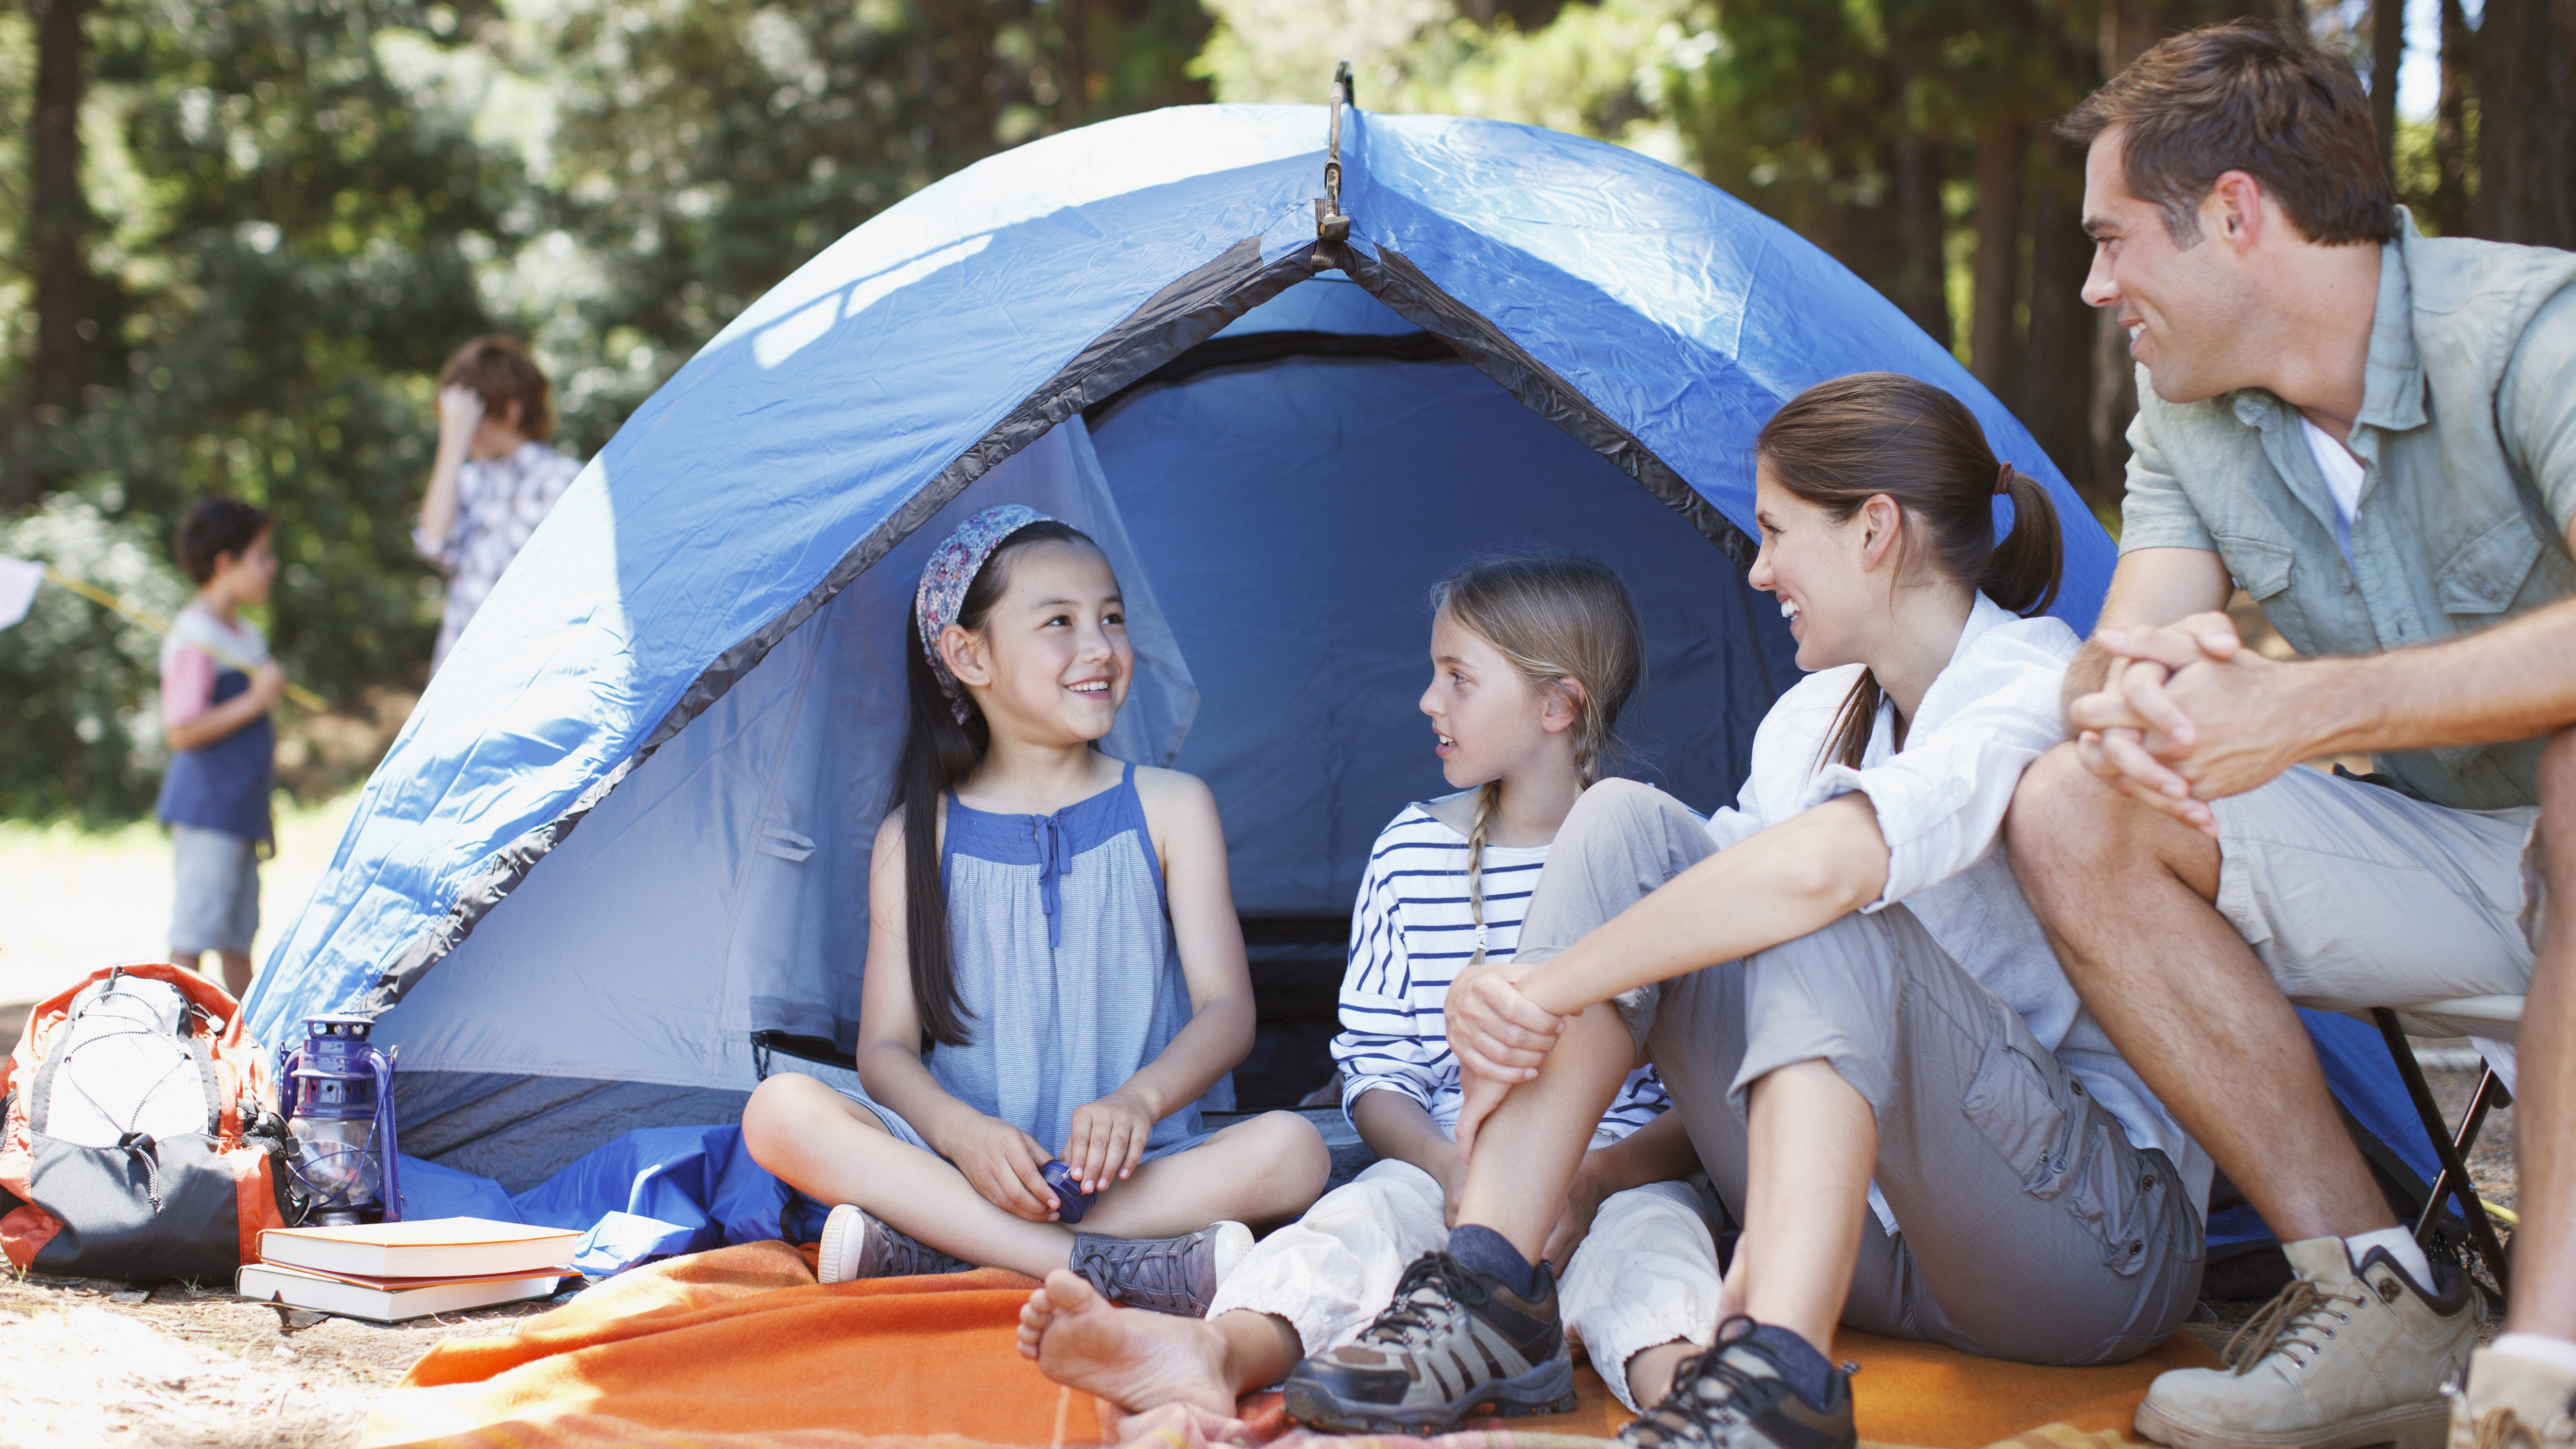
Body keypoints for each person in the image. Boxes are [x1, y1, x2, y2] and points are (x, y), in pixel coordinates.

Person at [1267, 374, 2207, 1449]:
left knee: (1820, 896)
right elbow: (1671, 892)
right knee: (1619, 819)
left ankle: (1777, 1377)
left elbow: (1811, 877)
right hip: (1864, 1240)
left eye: (1773, 533)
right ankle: (1491, 1281)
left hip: (2080, 1250)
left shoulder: (2029, 686)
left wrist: (1546, 983)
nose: (1758, 571)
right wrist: (1532, 1015)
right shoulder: (1811, 716)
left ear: (1874, 531)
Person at [2001, 22, 2576, 1449]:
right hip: (2460, 872)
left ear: (2239, 214)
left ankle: (2542, 1360)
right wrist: (2128, 704)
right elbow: (2114, 661)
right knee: (2076, 801)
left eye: (2114, 240)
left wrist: (2307, 703)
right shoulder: (2187, 415)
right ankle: (2379, 1294)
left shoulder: (2532, 333)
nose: (2094, 285)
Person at [1015, 553, 1726, 1422]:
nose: (1429, 700)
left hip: (1618, 1179)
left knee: (1656, 1246)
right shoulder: (1410, 853)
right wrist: (1445, 1163)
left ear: (1557, 704)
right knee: (1359, 1221)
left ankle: (1694, 1403)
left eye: (1458, 678)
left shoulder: (1656, 853)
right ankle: (1213, 1351)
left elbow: (1713, 1099)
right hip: (1445, 1174)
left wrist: (1596, 1175)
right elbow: (1376, 1072)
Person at [738, 505, 1329, 1317]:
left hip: (1136, 1169)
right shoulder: (916, 836)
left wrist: (1139, 1101)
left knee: (1294, 1150)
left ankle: (942, 1246)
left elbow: (1227, 1013)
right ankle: (1106, 1266)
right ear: (968, 654)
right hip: (966, 1166)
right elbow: (884, 1049)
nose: (1102, 648)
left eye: (1112, 618)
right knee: (778, 1111)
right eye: (1060, 622)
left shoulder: (1170, 807)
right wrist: (962, 1136)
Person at [156, 498, 289, 998]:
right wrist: (256, 700)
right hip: (208, 809)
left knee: (238, 938)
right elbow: (181, 730)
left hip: (240, 813)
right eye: (261, 555)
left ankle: (245, 1044)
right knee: (193, 932)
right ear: (224, 563)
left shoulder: (247, 635)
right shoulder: (195, 636)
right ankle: (174, 1036)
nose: (271, 566)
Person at [413, 336, 581, 672]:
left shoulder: (562, 481)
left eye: (471, 419)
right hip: (459, 681)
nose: (463, 431)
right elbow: (432, 544)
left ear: (511, 411)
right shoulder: (470, 480)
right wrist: (452, 448)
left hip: (527, 679)